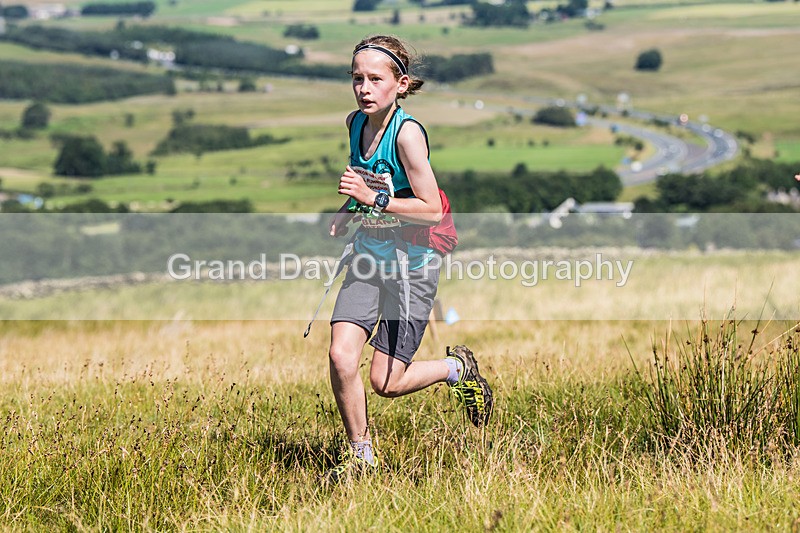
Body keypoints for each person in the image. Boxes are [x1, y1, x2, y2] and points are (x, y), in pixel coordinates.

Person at [325, 35, 493, 482]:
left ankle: (456, 369)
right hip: (368, 258)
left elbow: (432, 208)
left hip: (412, 267)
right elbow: (369, 180)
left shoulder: (407, 135)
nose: (364, 88)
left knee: (386, 383)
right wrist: (349, 211)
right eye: (357, 78)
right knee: (342, 357)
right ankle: (361, 454)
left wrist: (372, 200)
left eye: (375, 79)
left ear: (400, 84)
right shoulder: (354, 124)